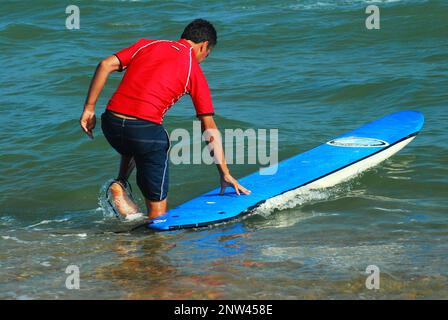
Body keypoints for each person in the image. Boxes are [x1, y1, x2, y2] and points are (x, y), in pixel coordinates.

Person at [79, 19, 250, 220]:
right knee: (158, 215)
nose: (204, 59)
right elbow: (209, 127)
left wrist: (89, 109)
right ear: (204, 46)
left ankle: (121, 183)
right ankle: (154, 235)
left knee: (133, 142)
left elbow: (105, 64)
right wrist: (224, 172)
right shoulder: (192, 69)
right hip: (143, 132)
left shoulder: (147, 44)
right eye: (207, 54)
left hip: (111, 124)